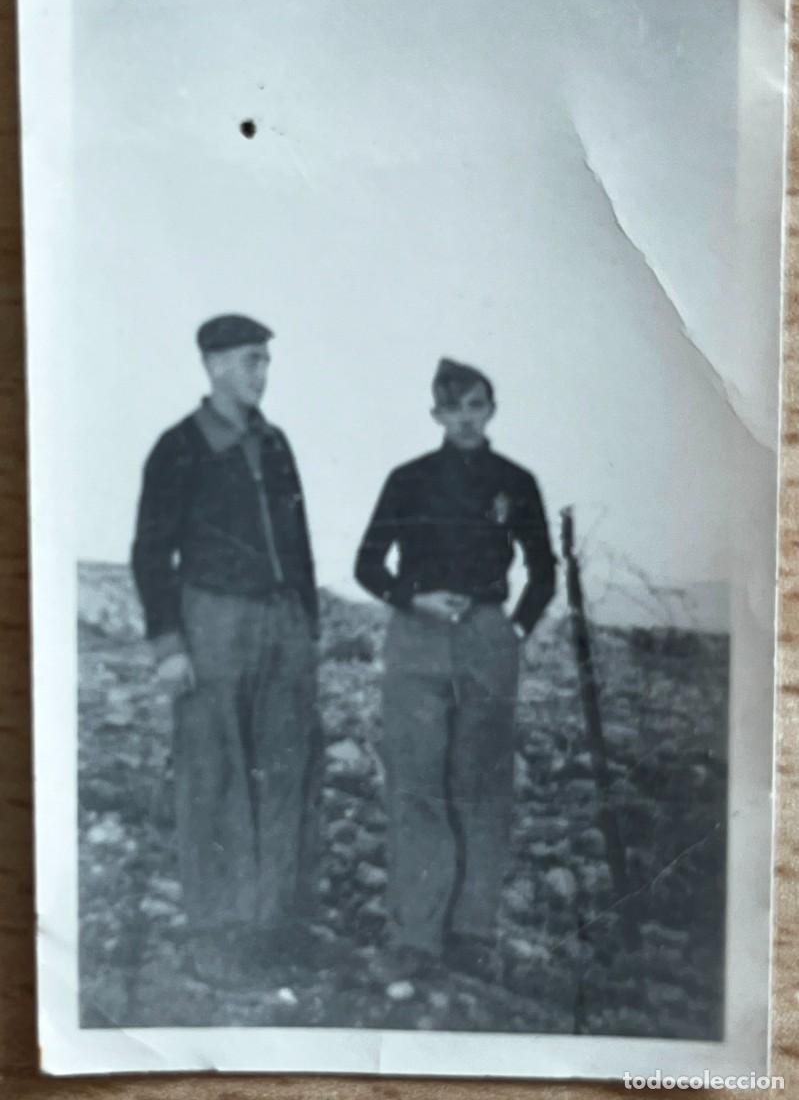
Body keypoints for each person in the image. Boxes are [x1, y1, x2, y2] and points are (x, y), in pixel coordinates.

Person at [132, 314, 323, 986]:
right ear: (214, 365)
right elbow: (150, 552)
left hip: (280, 627)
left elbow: (297, 544)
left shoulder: (275, 445)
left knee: (284, 773)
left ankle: (273, 926)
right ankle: (216, 937)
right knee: (213, 780)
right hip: (210, 622)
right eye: (250, 360)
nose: (261, 373)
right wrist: (168, 646)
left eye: (265, 361)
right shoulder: (178, 448)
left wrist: (307, 626)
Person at [354, 357, 556, 981]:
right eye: (454, 407)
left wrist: (512, 630)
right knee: (416, 783)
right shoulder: (408, 479)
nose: (466, 418)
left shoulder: (515, 481)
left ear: (491, 409)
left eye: (477, 405)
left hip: (487, 639)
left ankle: (472, 931)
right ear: (436, 414)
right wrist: (413, 597)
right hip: (416, 638)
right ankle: (417, 935)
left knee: (483, 785)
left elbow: (544, 570)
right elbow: (367, 563)